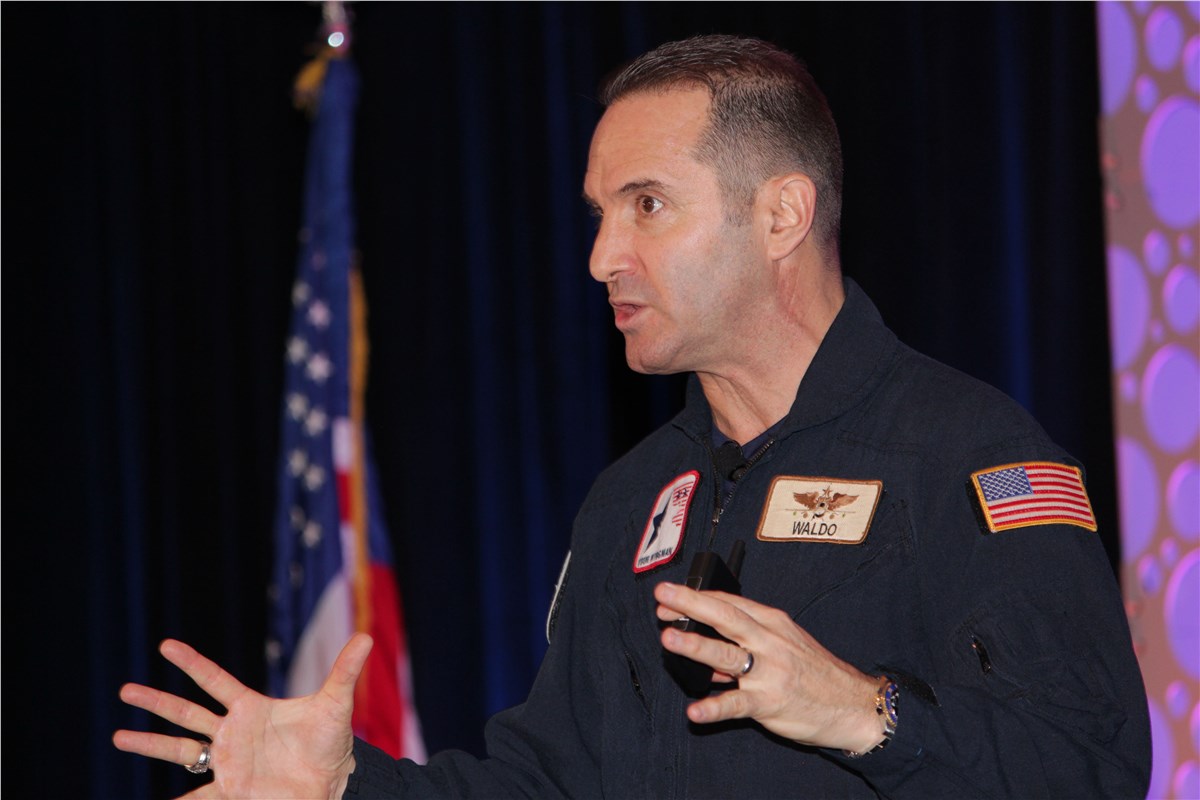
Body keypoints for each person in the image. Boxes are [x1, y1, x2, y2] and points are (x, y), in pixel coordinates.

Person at [114, 34, 1151, 798]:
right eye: (600, 214)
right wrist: (346, 782)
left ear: (781, 213)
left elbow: (1092, 765)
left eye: (647, 205)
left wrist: (862, 712)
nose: (605, 255)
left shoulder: (969, 456)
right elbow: (552, 781)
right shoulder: (634, 498)